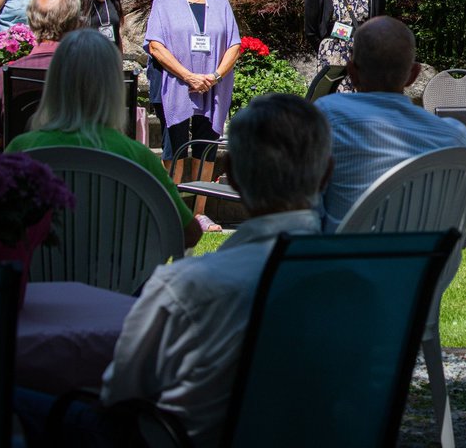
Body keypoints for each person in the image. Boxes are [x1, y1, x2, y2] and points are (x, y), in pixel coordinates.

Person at [100, 94, 331, 446]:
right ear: (327, 173)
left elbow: (119, 396)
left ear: (231, 176)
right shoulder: (368, 285)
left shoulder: (184, 287)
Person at [5, 29, 201, 249]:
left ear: (54, 83)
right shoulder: (137, 156)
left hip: (38, 279)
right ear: (115, 87)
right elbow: (189, 233)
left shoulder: (22, 149)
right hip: (120, 280)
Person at [315, 16, 466, 232]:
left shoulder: (326, 117)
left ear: (351, 72)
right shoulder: (454, 137)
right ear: (413, 74)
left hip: (342, 261)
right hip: (424, 264)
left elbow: (306, 207)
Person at [145, 0, 241, 229]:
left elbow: (234, 45)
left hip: (213, 87)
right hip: (175, 85)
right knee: (175, 148)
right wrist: (188, 76)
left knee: (206, 147)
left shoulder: (220, 2)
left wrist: (215, 77)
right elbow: (156, 46)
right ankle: (173, 210)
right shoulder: (164, 1)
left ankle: (199, 212)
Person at [0, 0, 80, 147]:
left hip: (23, 167)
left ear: (31, 21)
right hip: (81, 167)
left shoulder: (2, 77)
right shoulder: (93, 73)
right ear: (76, 24)